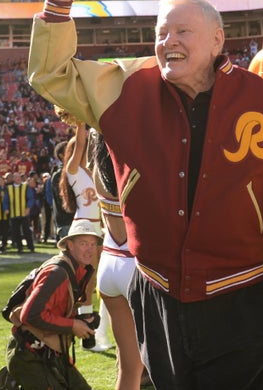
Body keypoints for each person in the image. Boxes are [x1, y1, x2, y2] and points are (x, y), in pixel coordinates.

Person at [27, 0, 263, 389]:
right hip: (156, 291)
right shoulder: (124, 86)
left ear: (217, 41)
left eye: (183, 31)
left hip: (242, 291)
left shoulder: (260, 98)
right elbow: (49, 75)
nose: (169, 40)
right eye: (161, 31)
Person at [5, 219, 101, 390]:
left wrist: (79, 320)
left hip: (52, 351)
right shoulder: (56, 273)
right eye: (84, 243)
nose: (90, 249)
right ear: (70, 245)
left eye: (93, 244)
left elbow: (54, 309)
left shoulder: (79, 269)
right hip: (29, 354)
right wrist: (73, 325)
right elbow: (30, 315)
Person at [90, 129, 146, 389]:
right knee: (170, 364)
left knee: (129, 370)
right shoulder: (135, 166)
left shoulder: (96, 171)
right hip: (137, 265)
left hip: (109, 265)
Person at [58, 122, 111, 353]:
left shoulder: (94, 172)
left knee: (100, 282)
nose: (89, 149)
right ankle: (87, 337)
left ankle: (97, 332)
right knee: (86, 284)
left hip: (98, 231)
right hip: (82, 230)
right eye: (86, 147)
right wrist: (81, 122)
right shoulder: (73, 171)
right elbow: (80, 141)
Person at [3, 171, 35, 254]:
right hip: (14, 213)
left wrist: (28, 207)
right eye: (16, 177)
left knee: (26, 231)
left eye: (18, 177)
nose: (17, 179)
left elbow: (31, 198)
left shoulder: (25, 187)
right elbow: (6, 200)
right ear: (13, 179)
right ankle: (19, 248)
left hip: (24, 213)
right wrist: (6, 208)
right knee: (16, 232)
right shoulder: (9, 188)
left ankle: (31, 247)